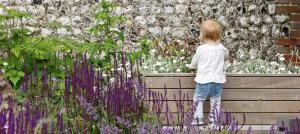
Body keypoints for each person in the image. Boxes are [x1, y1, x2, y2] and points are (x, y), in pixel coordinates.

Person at [186, 19, 229, 126]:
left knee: (198, 99)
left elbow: (195, 62)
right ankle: (213, 121)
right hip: (218, 82)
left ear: (203, 35)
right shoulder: (221, 49)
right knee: (215, 101)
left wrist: (191, 66)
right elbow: (226, 56)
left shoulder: (201, 49)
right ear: (218, 35)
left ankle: (197, 119)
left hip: (203, 81)